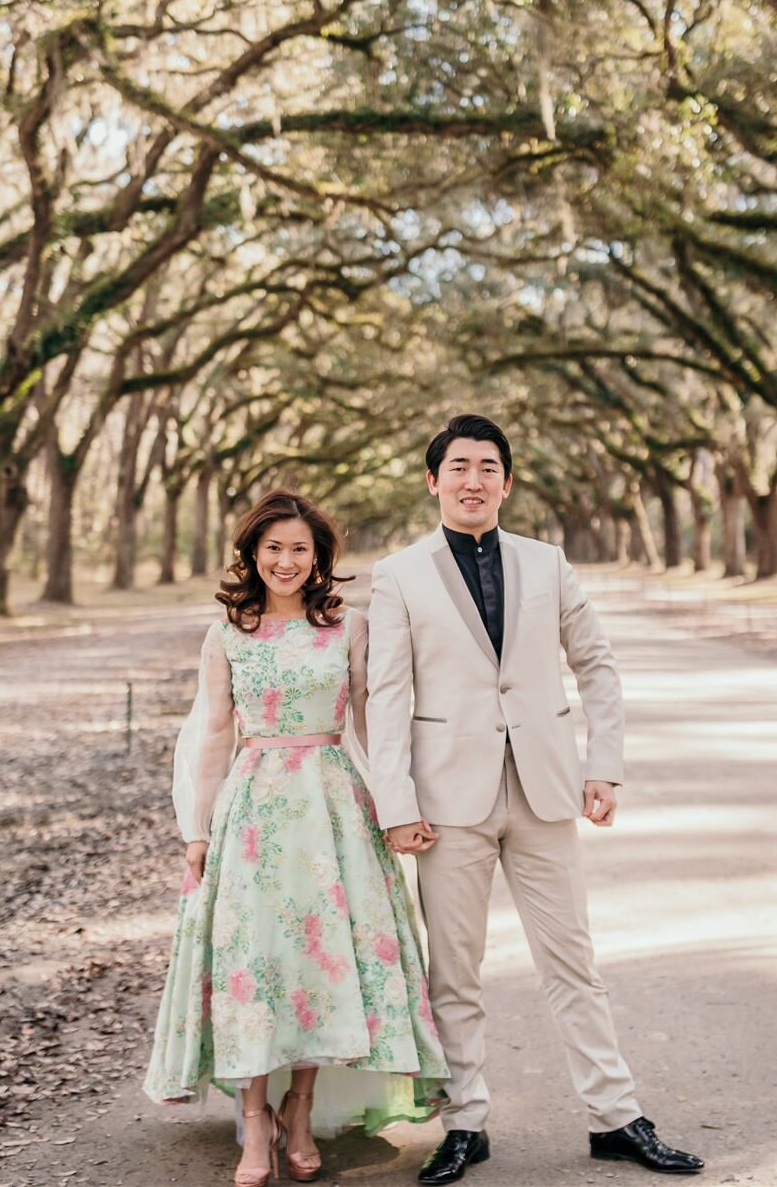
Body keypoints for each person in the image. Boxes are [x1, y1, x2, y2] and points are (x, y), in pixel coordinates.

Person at [366, 414, 704, 1182]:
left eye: (489, 466)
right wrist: (395, 800)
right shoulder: (399, 573)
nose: (473, 478)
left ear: (508, 482)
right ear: (433, 479)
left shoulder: (548, 562)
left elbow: (598, 666)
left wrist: (604, 765)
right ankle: (466, 1123)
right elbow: (385, 696)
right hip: (447, 802)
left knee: (573, 962)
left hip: (546, 790)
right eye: (459, 465)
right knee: (454, 971)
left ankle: (616, 1117)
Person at [144, 489, 448, 1186]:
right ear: (253, 552)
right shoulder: (227, 632)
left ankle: (301, 1108)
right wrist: (198, 828)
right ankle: (254, 1121)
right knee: (256, 961)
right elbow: (215, 732)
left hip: (332, 804)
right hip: (253, 808)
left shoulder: (347, 626)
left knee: (320, 957)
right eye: (274, 547)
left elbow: (373, 719)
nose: (286, 560)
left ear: (320, 559)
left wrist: (401, 802)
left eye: (300, 549)